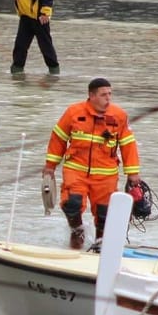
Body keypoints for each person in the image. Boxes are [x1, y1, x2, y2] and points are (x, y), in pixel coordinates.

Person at [43, 77, 141, 250]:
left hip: (106, 175)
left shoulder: (119, 116)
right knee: (71, 204)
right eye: (104, 95)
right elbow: (58, 139)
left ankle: (100, 245)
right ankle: (77, 230)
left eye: (110, 94)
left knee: (104, 215)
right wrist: (50, 166)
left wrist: (133, 174)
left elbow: (128, 145)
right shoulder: (74, 113)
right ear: (91, 96)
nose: (108, 99)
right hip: (76, 170)